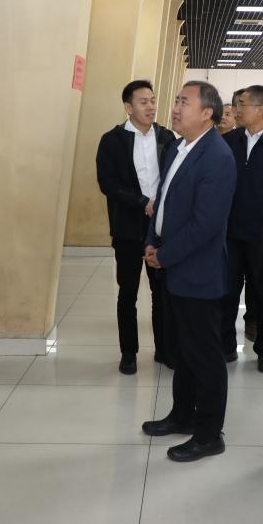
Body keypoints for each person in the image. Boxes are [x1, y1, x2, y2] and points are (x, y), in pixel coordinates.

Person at [141, 81, 237, 463]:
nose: (175, 108)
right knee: (182, 350)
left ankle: (209, 433)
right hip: (172, 265)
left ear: (207, 113)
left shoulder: (217, 156)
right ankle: (182, 415)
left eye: (184, 102)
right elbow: (161, 201)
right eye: (177, 100)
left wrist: (165, 256)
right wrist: (152, 241)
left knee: (205, 356)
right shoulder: (178, 147)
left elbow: (206, 224)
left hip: (196, 271)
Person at [95, 80, 176, 375]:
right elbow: (107, 183)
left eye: (152, 100)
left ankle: (164, 349)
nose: (151, 107)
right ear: (128, 107)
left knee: (161, 292)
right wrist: (142, 201)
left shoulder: (167, 137)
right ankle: (128, 353)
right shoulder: (112, 140)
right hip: (128, 226)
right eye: (143, 102)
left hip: (160, 226)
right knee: (127, 292)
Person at [222, 85, 263, 372]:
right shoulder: (229, 141)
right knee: (226, 290)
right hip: (230, 233)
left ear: (260, 109)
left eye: (242, 104)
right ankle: (225, 345)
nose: (236, 110)